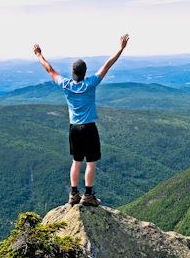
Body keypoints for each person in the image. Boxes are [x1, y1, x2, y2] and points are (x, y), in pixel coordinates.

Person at [33, 34, 129, 207]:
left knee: (76, 162)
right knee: (91, 162)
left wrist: (39, 54)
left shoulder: (66, 85)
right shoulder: (90, 84)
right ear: (84, 73)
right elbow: (107, 65)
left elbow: (49, 69)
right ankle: (89, 195)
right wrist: (120, 48)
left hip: (74, 129)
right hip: (89, 128)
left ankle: (74, 194)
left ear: (73, 73)